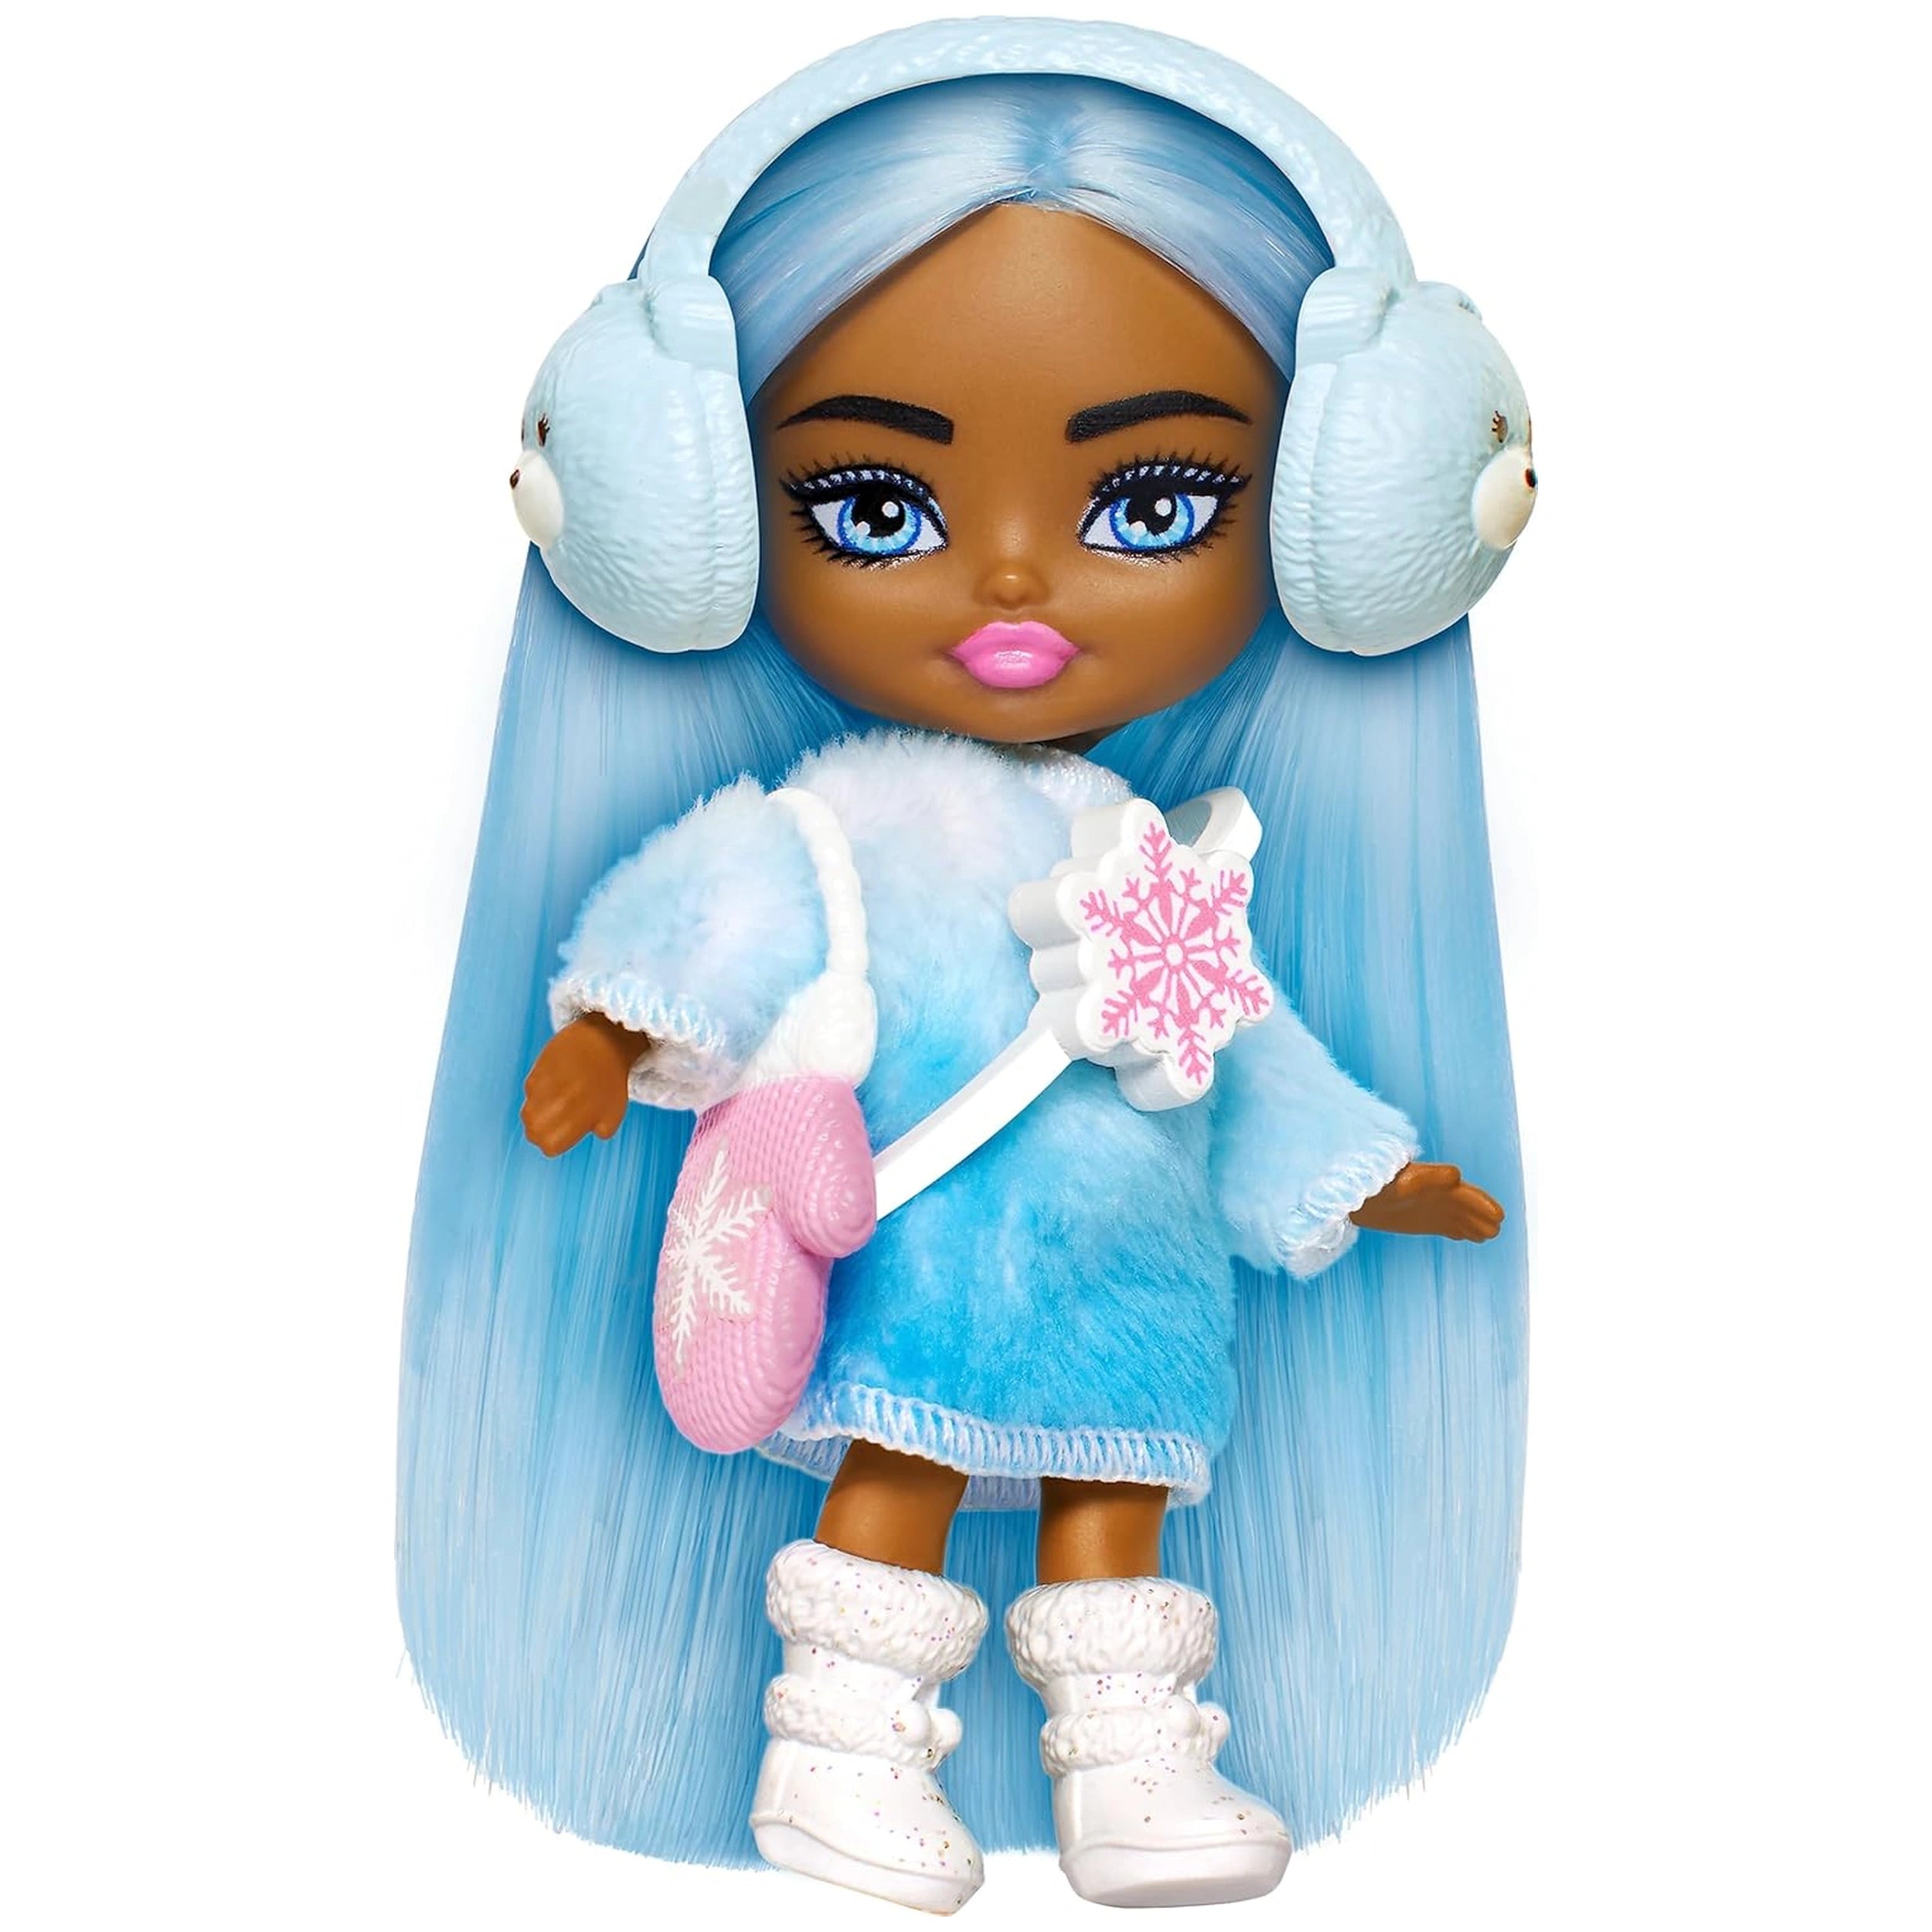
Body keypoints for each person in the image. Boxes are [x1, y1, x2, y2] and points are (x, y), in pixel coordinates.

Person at [401, 20, 1535, 1917]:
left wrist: (1365, 1172)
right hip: (919, 1260)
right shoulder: (850, 817)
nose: (1012, 581)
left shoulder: (1152, 850)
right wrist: (612, 1028)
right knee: (894, 1487)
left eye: (1151, 506)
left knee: (1119, 1502)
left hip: (1132, 1277)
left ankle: (1135, 1763)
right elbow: (726, 911)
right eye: (876, 506)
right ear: (693, 516)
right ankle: (837, 1746)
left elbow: (1231, 1047)